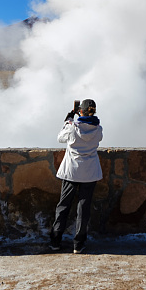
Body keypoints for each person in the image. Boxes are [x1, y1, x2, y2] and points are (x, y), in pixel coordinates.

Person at [50, 98, 103, 254]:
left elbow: (60, 138)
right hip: (90, 173)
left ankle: (55, 240)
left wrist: (68, 120)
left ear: (80, 111)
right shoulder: (99, 129)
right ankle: (78, 244)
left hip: (71, 172)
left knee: (63, 206)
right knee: (83, 209)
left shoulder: (72, 128)